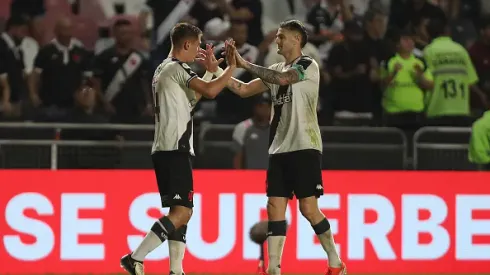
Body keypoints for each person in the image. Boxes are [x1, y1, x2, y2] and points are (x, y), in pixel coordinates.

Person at [216, 19, 346, 275]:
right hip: (278, 148)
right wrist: (214, 72)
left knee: (308, 208)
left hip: (304, 145)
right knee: (274, 207)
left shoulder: (308, 65)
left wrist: (244, 64)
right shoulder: (274, 68)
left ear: (297, 39)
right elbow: (242, 90)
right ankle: (273, 268)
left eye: (281, 36)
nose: (277, 40)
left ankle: (335, 262)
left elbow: (284, 78)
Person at [120, 22, 236, 275]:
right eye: (197, 44)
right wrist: (228, 69)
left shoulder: (165, 69)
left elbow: (192, 100)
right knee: (183, 211)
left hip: (167, 146)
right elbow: (211, 92)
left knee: (182, 211)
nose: (198, 50)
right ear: (187, 44)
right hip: (175, 147)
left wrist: (208, 72)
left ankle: (176, 269)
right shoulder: (177, 67)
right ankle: (135, 257)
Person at [423, 18, 487, 126]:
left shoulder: (429, 51)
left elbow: (426, 82)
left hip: (438, 109)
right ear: (447, 31)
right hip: (461, 108)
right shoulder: (461, 50)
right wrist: (482, 96)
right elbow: (471, 81)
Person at [231, 92, 271, 169]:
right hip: (251, 177)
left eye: (267, 107)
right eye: (261, 106)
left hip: (271, 177)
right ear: (255, 107)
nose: (264, 110)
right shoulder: (242, 128)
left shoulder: (278, 129)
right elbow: (238, 157)